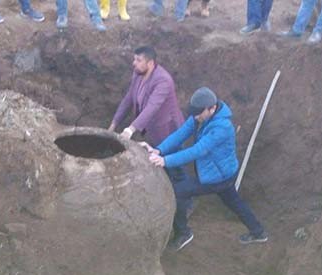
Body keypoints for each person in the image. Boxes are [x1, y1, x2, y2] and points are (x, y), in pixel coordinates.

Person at [145, 87, 268, 251]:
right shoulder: (200, 116)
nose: (195, 118)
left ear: (212, 108)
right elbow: (181, 133)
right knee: (234, 202)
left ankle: (183, 233)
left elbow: (198, 150)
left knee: (178, 192)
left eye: (198, 114)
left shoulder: (222, 128)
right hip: (221, 172)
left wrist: (165, 161)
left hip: (218, 177)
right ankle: (258, 232)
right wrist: (159, 150)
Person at [109, 46, 184, 148]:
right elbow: (128, 99)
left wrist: (130, 129)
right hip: (148, 127)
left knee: (170, 158)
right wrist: (113, 124)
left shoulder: (163, 81)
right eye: (134, 59)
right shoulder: (138, 73)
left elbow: (152, 107)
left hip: (167, 129)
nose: (134, 63)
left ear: (150, 63)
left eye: (138, 60)